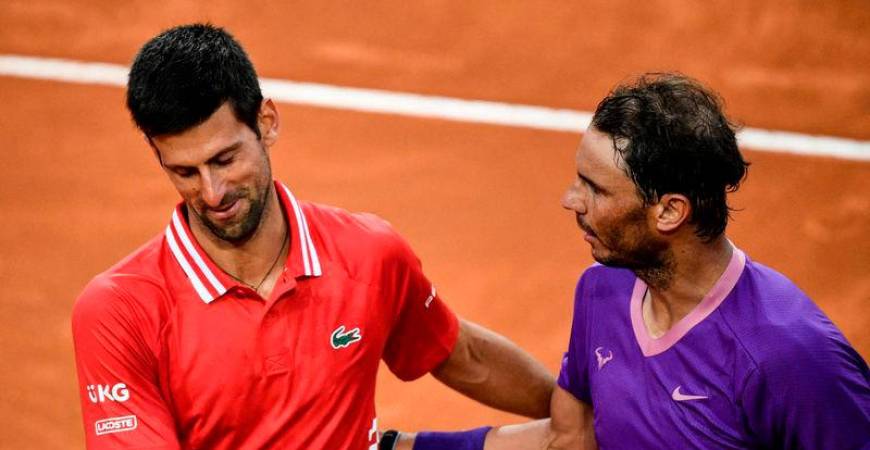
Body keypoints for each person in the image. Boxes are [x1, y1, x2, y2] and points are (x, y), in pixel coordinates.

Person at [71, 23, 555, 450]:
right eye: (184, 172)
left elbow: (460, 354)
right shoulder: (118, 312)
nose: (212, 192)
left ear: (267, 122)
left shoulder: (369, 254)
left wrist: (583, 414)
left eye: (224, 160)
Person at [390, 74, 870, 450]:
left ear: (668, 210)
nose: (569, 200)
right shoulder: (602, 289)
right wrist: (403, 447)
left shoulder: (789, 356)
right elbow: (569, 439)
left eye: (594, 188)